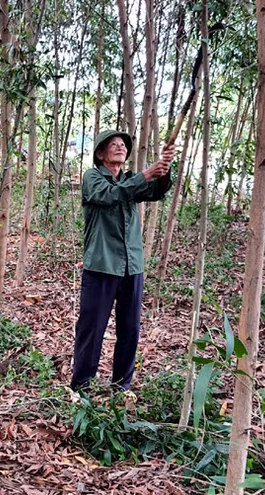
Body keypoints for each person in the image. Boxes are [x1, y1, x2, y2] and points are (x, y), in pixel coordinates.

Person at [71, 129, 176, 392]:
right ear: (100, 153)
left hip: (132, 267)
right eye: (113, 144)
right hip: (101, 266)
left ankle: (122, 388)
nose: (120, 147)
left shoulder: (130, 179)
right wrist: (146, 174)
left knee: (129, 331)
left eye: (123, 145)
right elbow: (110, 194)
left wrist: (164, 168)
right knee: (91, 331)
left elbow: (154, 191)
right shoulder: (93, 178)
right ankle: (81, 389)